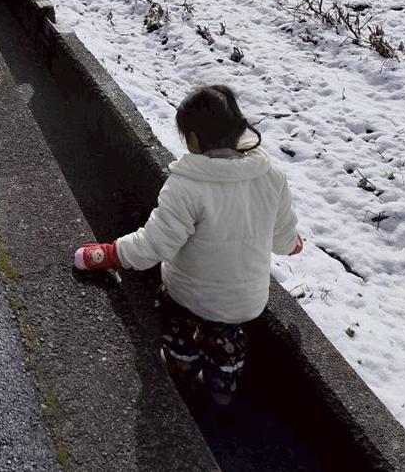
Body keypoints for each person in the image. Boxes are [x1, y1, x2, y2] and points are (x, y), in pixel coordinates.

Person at [74, 84, 303, 407]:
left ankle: (181, 367)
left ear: (193, 140)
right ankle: (222, 385)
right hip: (244, 302)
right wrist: (293, 244)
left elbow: (154, 245)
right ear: (240, 128)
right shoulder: (272, 177)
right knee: (226, 339)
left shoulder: (185, 187)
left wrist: (109, 255)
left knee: (178, 327)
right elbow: (282, 236)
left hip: (188, 294)